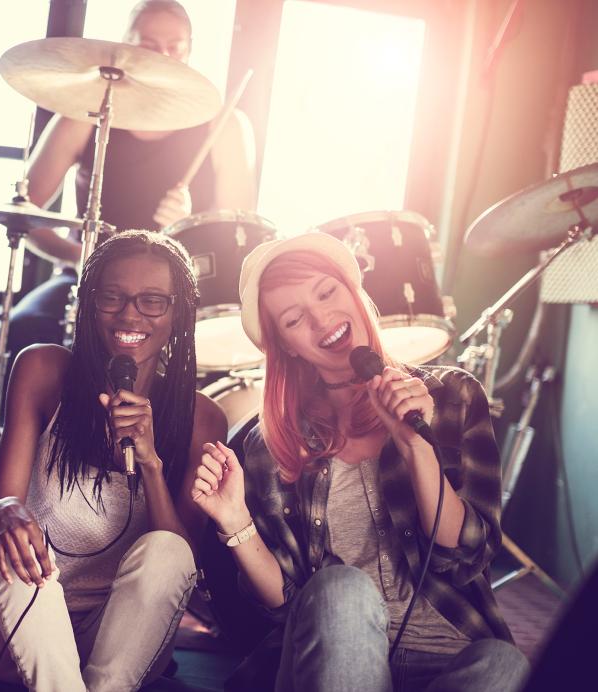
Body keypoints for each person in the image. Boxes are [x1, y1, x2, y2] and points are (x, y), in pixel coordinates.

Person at [190, 233, 530, 691]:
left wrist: (415, 448)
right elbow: (283, 605)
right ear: (285, 345)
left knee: (505, 665)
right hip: (332, 658)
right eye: (294, 319)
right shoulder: (270, 443)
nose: (322, 319)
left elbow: (467, 557)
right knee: (341, 589)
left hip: (449, 657)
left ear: (355, 290)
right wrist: (235, 523)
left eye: (327, 292)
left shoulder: (453, 396)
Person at [0, 230, 228, 691]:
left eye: (152, 301)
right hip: (13, 622)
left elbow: (180, 561)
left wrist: (150, 462)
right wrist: (2, 510)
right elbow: (6, 500)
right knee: (16, 539)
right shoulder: (42, 371)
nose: (129, 314)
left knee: (167, 550)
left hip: (119, 641)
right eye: (112, 297)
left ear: (178, 313)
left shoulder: (201, 418)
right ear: (89, 302)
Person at [7, 0, 257, 354]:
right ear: (124, 45)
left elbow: (237, 239)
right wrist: (81, 257)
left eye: (175, 47)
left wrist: (190, 224)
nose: (163, 56)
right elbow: (22, 213)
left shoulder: (225, 126)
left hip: (181, 287)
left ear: (190, 51)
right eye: (149, 45)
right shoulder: (87, 113)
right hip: (87, 279)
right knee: (25, 328)